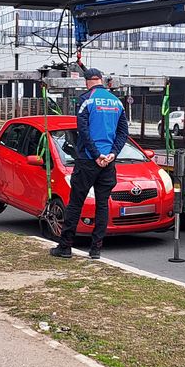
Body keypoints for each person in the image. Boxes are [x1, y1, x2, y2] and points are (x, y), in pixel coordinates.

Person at [50, 67, 128, 260]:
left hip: (87, 160)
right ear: (101, 80)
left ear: (87, 82)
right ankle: (96, 250)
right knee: (102, 205)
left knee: (75, 203)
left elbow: (82, 131)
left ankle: (65, 247)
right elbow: (123, 133)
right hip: (108, 163)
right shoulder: (117, 102)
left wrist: (95, 155)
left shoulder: (86, 100)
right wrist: (112, 154)